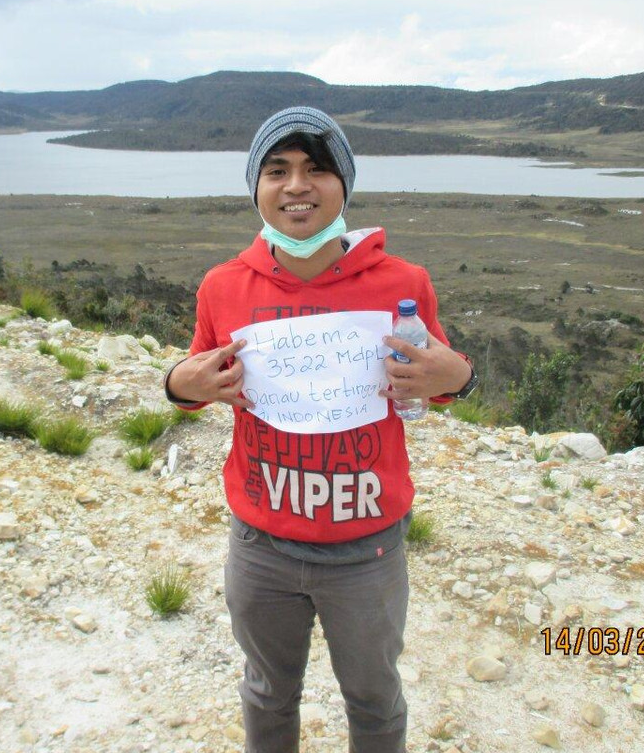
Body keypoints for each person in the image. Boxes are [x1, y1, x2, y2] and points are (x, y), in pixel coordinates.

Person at [164, 107, 477, 753]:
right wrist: (178, 385)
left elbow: (440, 379)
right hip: (261, 544)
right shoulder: (223, 287)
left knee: (373, 697)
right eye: (277, 171)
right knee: (267, 692)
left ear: (344, 186)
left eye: (317, 170)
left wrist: (458, 375)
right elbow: (193, 375)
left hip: (368, 550)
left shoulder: (402, 283)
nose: (297, 186)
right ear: (256, 188)